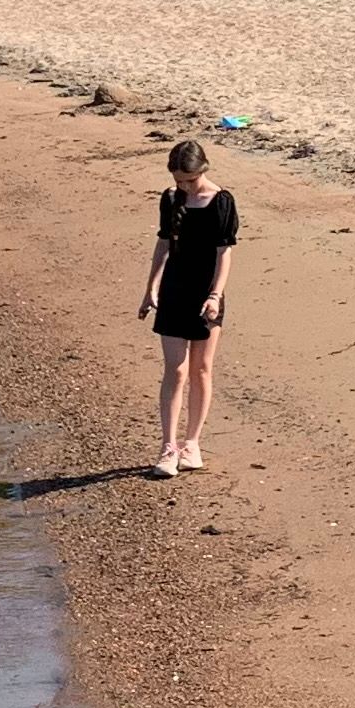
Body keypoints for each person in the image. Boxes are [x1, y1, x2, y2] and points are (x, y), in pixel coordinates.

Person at [137, 136, 238, 478]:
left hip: (207, 293)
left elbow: (224, 253)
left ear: (202, 171)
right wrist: (150, 288)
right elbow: (163, 244)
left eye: (190, 180)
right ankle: (168, 446)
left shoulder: (222, 202)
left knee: (201, 369)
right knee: (175, 370)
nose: (185, 187)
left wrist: (215, 295)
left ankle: (192, 443)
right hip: (174, 292)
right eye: (179, 181)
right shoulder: (170, 199)